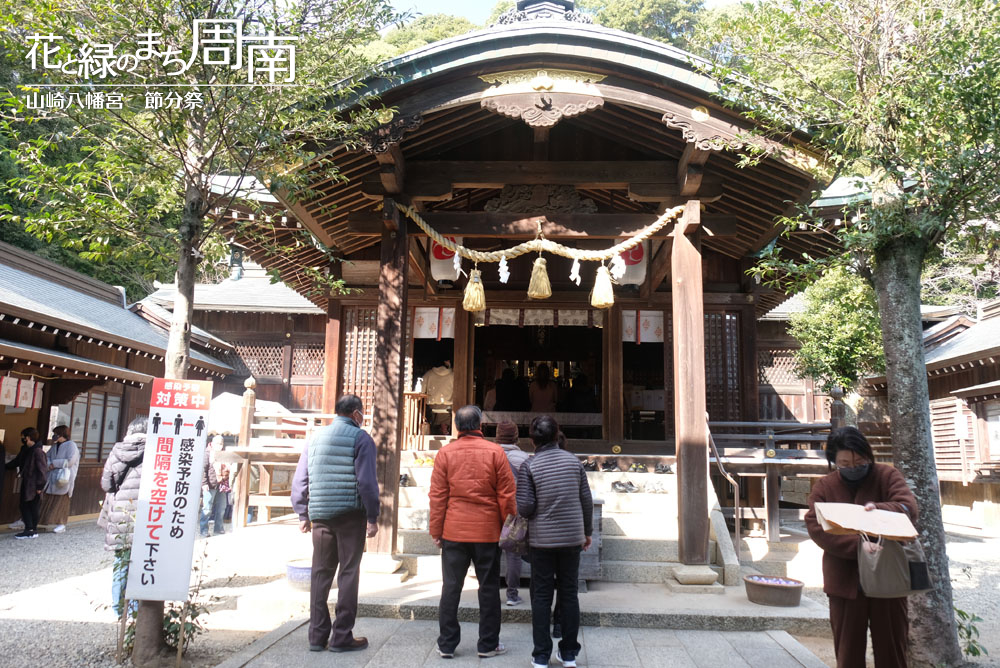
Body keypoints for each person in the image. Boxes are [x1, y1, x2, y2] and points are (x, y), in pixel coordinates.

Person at [804, 426, 918, 668]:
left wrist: (879, 511)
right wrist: (859, 545)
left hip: (888, 579)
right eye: (844, 463)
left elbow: (908, 507)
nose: (853, 467)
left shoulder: (887, 475)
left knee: (892, 650)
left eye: (859, 461)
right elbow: (816, 526)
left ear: (868, 455)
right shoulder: (825, 486)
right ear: (834, 461)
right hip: (844, 580)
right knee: (848, 653)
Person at [291, 394, 380, 653]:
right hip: (351, 515)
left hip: (320, 514)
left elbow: (300, 480)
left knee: (320, 572)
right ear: (356, 414)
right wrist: (372, 517)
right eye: (362, 413)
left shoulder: (315, 439)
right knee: (348, 572)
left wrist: (302, 513)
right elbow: (367, 483)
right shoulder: (361, 439)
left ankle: (317, 636)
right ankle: (341, 636)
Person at [429, 405, 517, 659]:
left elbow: (438, 496)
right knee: (488, 588)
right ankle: (488, 644)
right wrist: (506, 525)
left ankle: (447, 643)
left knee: (451, 587)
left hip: (454, 530)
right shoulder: (495, 452)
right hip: (487, 531)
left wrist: (436, 530)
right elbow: (507, 495)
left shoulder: (445, 454)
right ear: (480, 425)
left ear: (457, 426)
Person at [517, 415, 593, 668]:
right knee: (569, 594)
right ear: (557, 434)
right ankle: (569, 653)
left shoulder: (530, 466)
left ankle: (541, 655)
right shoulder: (574, 462)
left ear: (531, 440)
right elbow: (585, 500)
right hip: (572, 537)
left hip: (542, 541)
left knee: (541, 596)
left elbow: (526, 507)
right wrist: (587, 531)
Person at [101, 416, 147, 616]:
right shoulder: (155, 450)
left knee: (121, 560)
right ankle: (134, 609)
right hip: (145, 511)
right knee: (140, 561)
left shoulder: (117, 450)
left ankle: (117, 608)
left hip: (121, 510)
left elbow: (107, 484)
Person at [495, 420, 530, 606]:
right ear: (516, 436)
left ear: (497, 435)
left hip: (492, 509)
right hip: (514, 509)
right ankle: (512, 594)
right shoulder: (523, 458)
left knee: (491, 552)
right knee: (513, 553)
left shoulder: (490, 454)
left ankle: (490, 591)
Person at [6, 428, 48, 539]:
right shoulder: (26, 449)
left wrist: (40, 486)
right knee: (25, 505)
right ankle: (30, 529)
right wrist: (5, 466)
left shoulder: (38, 451)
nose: (22, 439)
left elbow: (42, 471)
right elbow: (17, 461)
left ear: (28, 437)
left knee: (31, 506)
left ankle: (31, 530)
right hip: (27, 482)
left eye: (23, 437)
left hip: (34, 484)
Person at [39, 425, 79, 533]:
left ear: (62, 434)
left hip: (64, 477)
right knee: (49, 498)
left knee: (62, 501)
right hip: (52, 476)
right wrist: (49, 464)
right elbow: (46, 457)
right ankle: (46, 521)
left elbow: (70, 461)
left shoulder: (71, 445)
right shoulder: (55, 446)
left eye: (56, 434)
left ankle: (61, 523)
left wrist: (54, 464)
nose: (54, 437)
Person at [423, 359, 455, 434]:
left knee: (428, 411)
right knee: (449, 408)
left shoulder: (429, 374)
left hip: (432, 406)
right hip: (448, 406)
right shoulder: (453, 375)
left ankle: (437, 430)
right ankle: (445, 429)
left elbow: (421, 390)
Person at [200, 436, 222, 537]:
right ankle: (204, 529)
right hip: (210, 484)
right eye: (217, 443)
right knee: (207, 508)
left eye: (221, 443)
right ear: (212, 443)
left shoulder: (222, 454)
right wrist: (204, 484)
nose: (219, 445)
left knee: (221, 508)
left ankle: (218, 528)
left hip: (221, 485)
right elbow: (202, 470)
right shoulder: (207, 453)